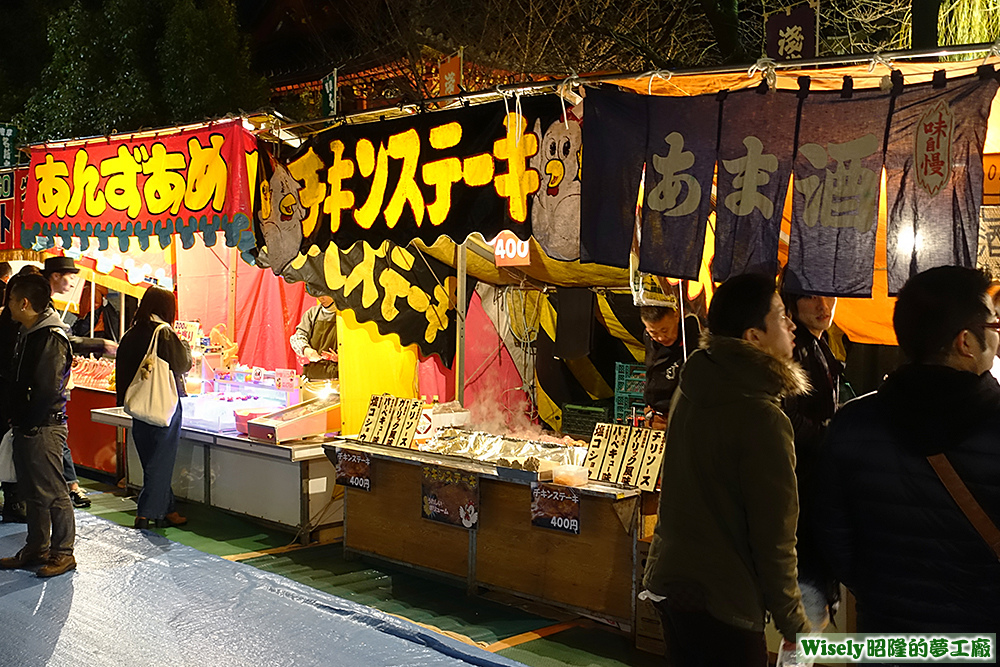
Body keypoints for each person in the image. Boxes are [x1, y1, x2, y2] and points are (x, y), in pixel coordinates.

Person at [817, 266, 1000, 633]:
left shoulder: (852, 424)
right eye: (994, 327)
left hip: (889, 629)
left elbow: (834, 536)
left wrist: (879, 593)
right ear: (965, 342)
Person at [642, 273, 810, 666]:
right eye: (783, 316)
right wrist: (793, 626)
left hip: (671, 582)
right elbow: (775, 540)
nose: (791, 327)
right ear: (754, 336)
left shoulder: (694, 382)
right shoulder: (763, 418)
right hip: (723, 600)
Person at [0, 274, 76, 577]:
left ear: (24, 303)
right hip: (28, 425)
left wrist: (29, 424)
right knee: (32, 491)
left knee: (53, 491)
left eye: (10, 300)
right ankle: (37, 547)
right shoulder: (31, 332)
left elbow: (47, 389)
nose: (8, 307)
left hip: (43, 426)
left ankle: (63, 552)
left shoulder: (50, 337)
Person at [780, 277, 844, 630]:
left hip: (809, 487)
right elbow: (786, 414)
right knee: (806, 604)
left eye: (830, 293)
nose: (824, 305)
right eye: (812, 295)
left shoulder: (819, 345)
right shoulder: (795, 347)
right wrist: (828, 439)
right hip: (801, 489)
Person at [43, 256, 119, 509]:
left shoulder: (47, 303)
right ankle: (67, 488)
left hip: (51, 383)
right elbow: (63, 339)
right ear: (55, 275)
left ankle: (68, 485)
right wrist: (100, 344)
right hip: (46, 385)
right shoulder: (43, 305)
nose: (73, 281)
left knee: (57, 434)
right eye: (70, 275)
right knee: (56, 432)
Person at [115, 286, 191, 529]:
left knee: (151, 459)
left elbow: (122, 372)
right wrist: (187, 347)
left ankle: (168, 508)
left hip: (139, 405)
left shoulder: (131, 333)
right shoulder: (164, 333)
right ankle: (146, 513)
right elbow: (183, 364)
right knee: (161, 460)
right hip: (163, 404)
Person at [639, 303, 701, 430]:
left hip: (684, 414)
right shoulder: (649, 338)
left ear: (676, 315)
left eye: (664, 330)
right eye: (653, 332)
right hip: (656, 414)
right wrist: (650, 410)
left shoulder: (694, 335)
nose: (661, 337)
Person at [290, 293, 338, 380]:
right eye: (317, 294)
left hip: (340, 376)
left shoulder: (347, 315)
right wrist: (306, 350)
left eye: (324, 294)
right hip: (314, 375)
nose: (321, 298)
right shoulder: (312, 314)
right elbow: (298, 337)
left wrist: (342, 358)